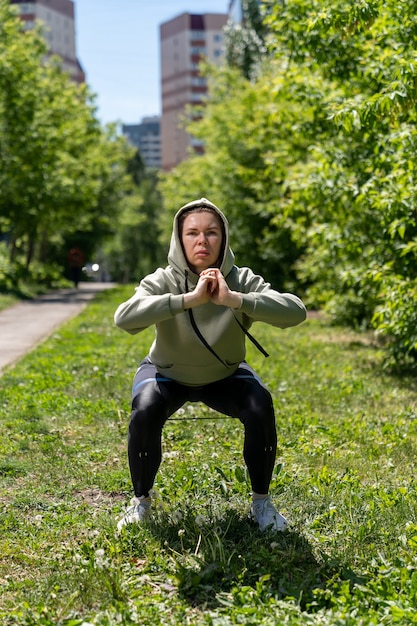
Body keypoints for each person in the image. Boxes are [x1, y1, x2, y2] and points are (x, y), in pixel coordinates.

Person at [114, 198, 306, 532]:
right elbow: (124, 318)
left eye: (211, 232)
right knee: (144, 412)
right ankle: (140, 502)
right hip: (166, 373)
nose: (202, 240)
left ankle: (262, 503)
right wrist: (188, 300)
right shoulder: (163, 280)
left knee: (260, 406)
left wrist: (234, 299)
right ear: (179, 240)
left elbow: (296, 311)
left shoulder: (241, 278)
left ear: (224, 239)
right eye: (192, 233)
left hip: (225, 374)